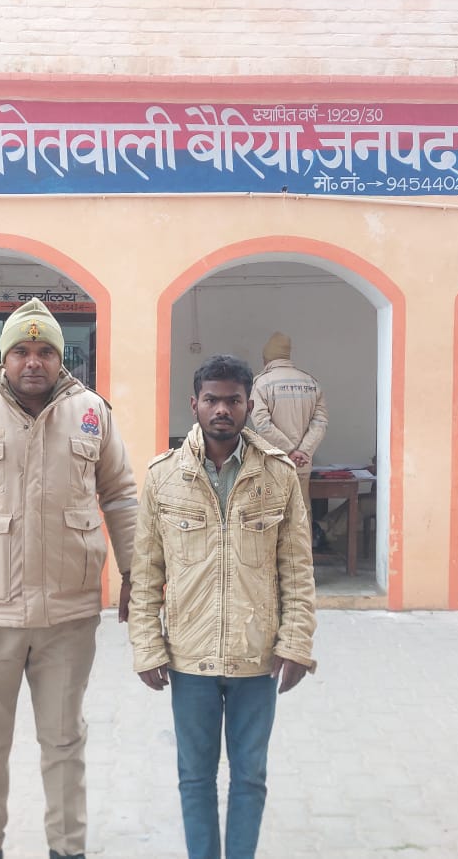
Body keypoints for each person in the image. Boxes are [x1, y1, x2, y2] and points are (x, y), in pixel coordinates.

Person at [0, 297, 138, 859]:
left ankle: (67, 848)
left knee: (64, 740)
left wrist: (135, 574)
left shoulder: (92, 414)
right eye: (21, 351)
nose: (33, 362)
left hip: (69, 612)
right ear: (4, 357)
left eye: (44, 352)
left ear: (61, 359)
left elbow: (121, 497)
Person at [127, 354, 317, 859]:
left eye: (233, 400)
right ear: (194, 404)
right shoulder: (164, 477)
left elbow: (297, 569)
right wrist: (147, 647)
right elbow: (145, 574)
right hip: (189, 659)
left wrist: (296, 642)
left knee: (250, 777)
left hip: (258, 657)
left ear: (249, 406)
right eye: (212, 399)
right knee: (195, 777)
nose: (222, 410)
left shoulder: (278, 475)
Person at [250, 331, 328, 523]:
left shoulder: (261, 383)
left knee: (273, 514)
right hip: (302, 463)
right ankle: (304, 545)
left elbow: (262, 424)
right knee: (301, 512)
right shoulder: (311, 382)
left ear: (266, 358)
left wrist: (289, 451)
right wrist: (303, 451)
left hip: (273, 462)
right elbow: (320, 422)